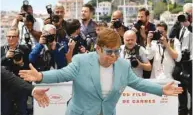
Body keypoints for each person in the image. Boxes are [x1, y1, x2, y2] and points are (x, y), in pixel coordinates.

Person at [19, 28, 183, 115]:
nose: (113, 56)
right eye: (109, 52)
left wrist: (161, 89)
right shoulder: (81, 61)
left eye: (117, 51)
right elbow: (62, 74)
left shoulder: (123, 65)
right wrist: (41, 76)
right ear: (97, 48)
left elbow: (138, 83)